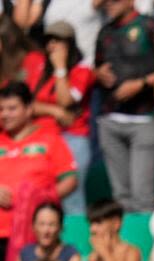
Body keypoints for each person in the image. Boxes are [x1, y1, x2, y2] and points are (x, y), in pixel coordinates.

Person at [0, 82, 78, 261]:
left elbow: (70, 181)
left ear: (29, 109)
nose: (5, 115)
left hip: (33, 235)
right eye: (1, 109)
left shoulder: (50, 139)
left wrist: (39, 200)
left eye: (12, 108)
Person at [94, 0, 154, 215]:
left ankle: (143, 245)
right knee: (120, 197)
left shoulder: (150, 26)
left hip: (144, 119)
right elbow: (96, 67)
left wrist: (141, 83)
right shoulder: (104, 32)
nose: (108, 5)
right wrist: (98, 74)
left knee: (142, 196)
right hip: (111, 119)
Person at [31, 22, 93, 217]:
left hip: (73, 139)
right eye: (49, 41)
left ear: (70, 44)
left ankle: (74, 244)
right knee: (45, 198)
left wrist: (60, 68)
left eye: (58, 41)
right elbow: (27, 105)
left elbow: (65, 100)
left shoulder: (82, 71)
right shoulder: (40, 71)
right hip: (45, 140)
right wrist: (54, 112)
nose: (52, 47)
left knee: (71, 198)